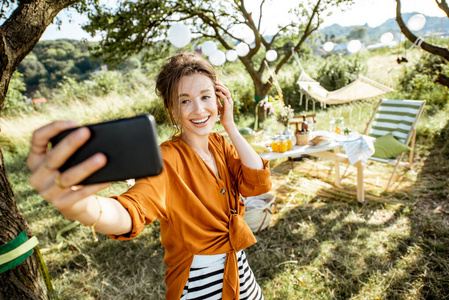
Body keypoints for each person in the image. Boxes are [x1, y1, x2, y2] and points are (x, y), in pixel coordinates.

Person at [27, 52, 272, 300]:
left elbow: (257, 183)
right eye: (185, 101)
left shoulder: (221, 144)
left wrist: (229, 124)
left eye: (205, 96)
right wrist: (83, 206)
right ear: (172, 110)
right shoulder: (166, 159)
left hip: (243, 278)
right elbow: (132, 210)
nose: (199, 109)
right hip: (199, 285)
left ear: (219, 100)